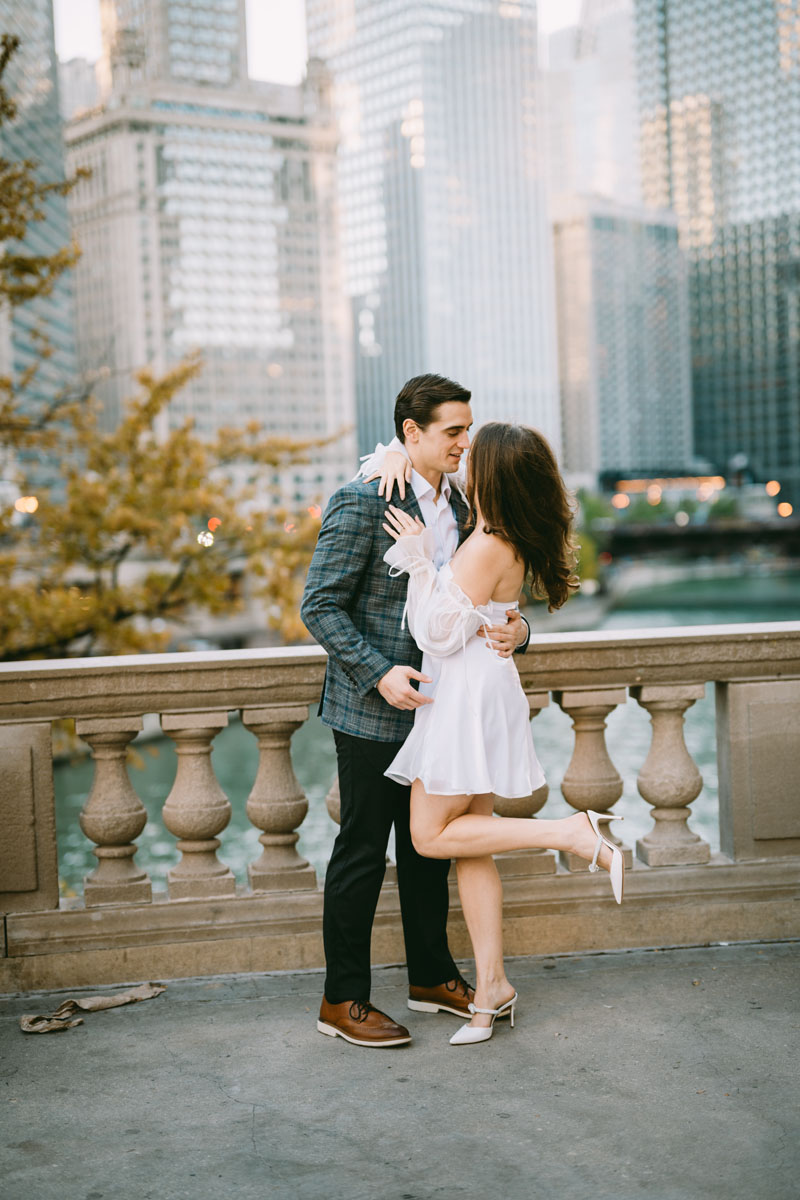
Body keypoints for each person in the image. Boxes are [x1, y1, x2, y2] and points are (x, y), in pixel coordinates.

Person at [300, 374, 531, 1048]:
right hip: (373, 712)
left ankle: (432, 976)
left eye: (468, 428)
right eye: (452, 431)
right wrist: (378, 674)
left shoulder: (465, 506)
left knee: (430, 852)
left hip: (446, 712)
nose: (466, 441)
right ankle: (341, 1000)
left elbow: (497, 599)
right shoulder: (362, 501)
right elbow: (319, 605)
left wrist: (521, 633)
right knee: (363, 854)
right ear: (411, 434)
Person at [379, 420, 625, 1046]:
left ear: (491, 473)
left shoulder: (488, 542)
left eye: (472, 452)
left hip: (463, 696)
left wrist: (414, 564)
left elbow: (438, 634)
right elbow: (483, 617)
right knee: (472, 845)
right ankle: (492, 989)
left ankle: (571, 832)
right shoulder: (497, 535)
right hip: (482, 690)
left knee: (430, 835)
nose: (462, 457)